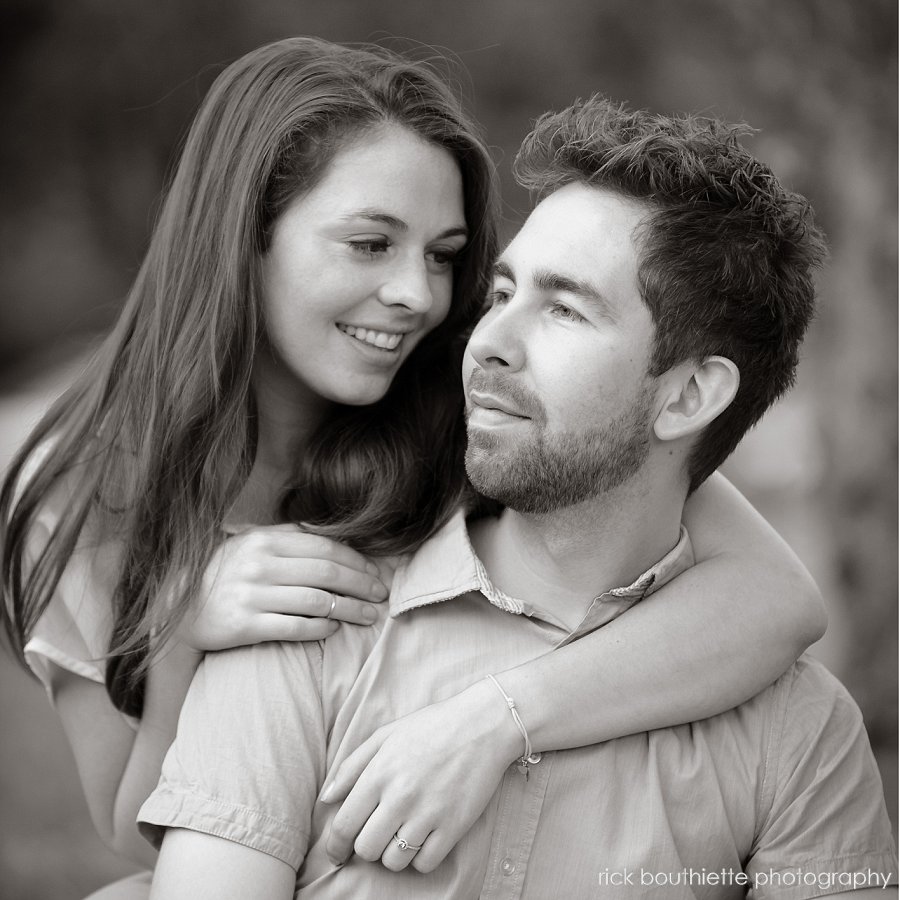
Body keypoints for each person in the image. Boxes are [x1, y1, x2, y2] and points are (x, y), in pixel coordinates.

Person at [1, 39, 823, 896]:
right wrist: (180, 631)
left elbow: (777, 604)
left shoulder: (476, 398)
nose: (420, 297)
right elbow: (138, 836)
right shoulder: (83, 494)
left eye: (442, 254)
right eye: (369, 244)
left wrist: (495, 721)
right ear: (244, 234)